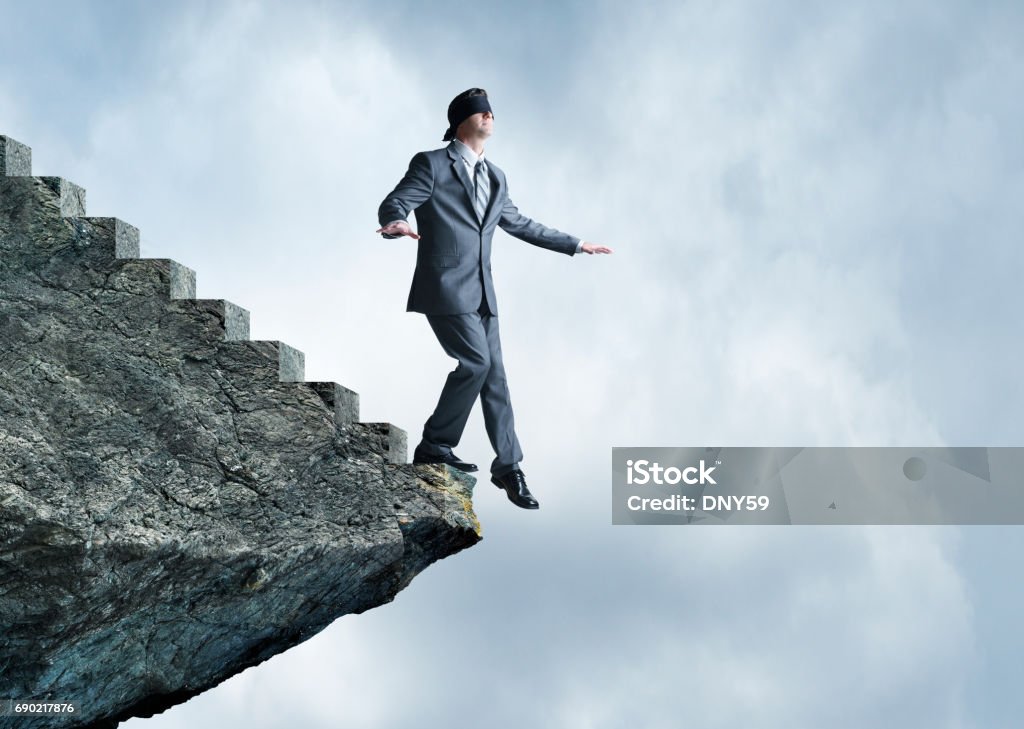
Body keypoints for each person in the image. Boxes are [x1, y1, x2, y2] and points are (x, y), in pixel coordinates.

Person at [376, 88, 612, 510]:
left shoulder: (497, 176)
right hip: (445, 285)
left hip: (484, 292)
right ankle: (435, 445)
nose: (488, 114)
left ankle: (508, 466)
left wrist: (576, 244)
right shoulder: (431, 163)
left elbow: (520, 223)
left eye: (490, 111)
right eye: (477, 111)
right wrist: (396, 221)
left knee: (496, 379)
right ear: (460, 121)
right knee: (477, 363)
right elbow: (398, 200)